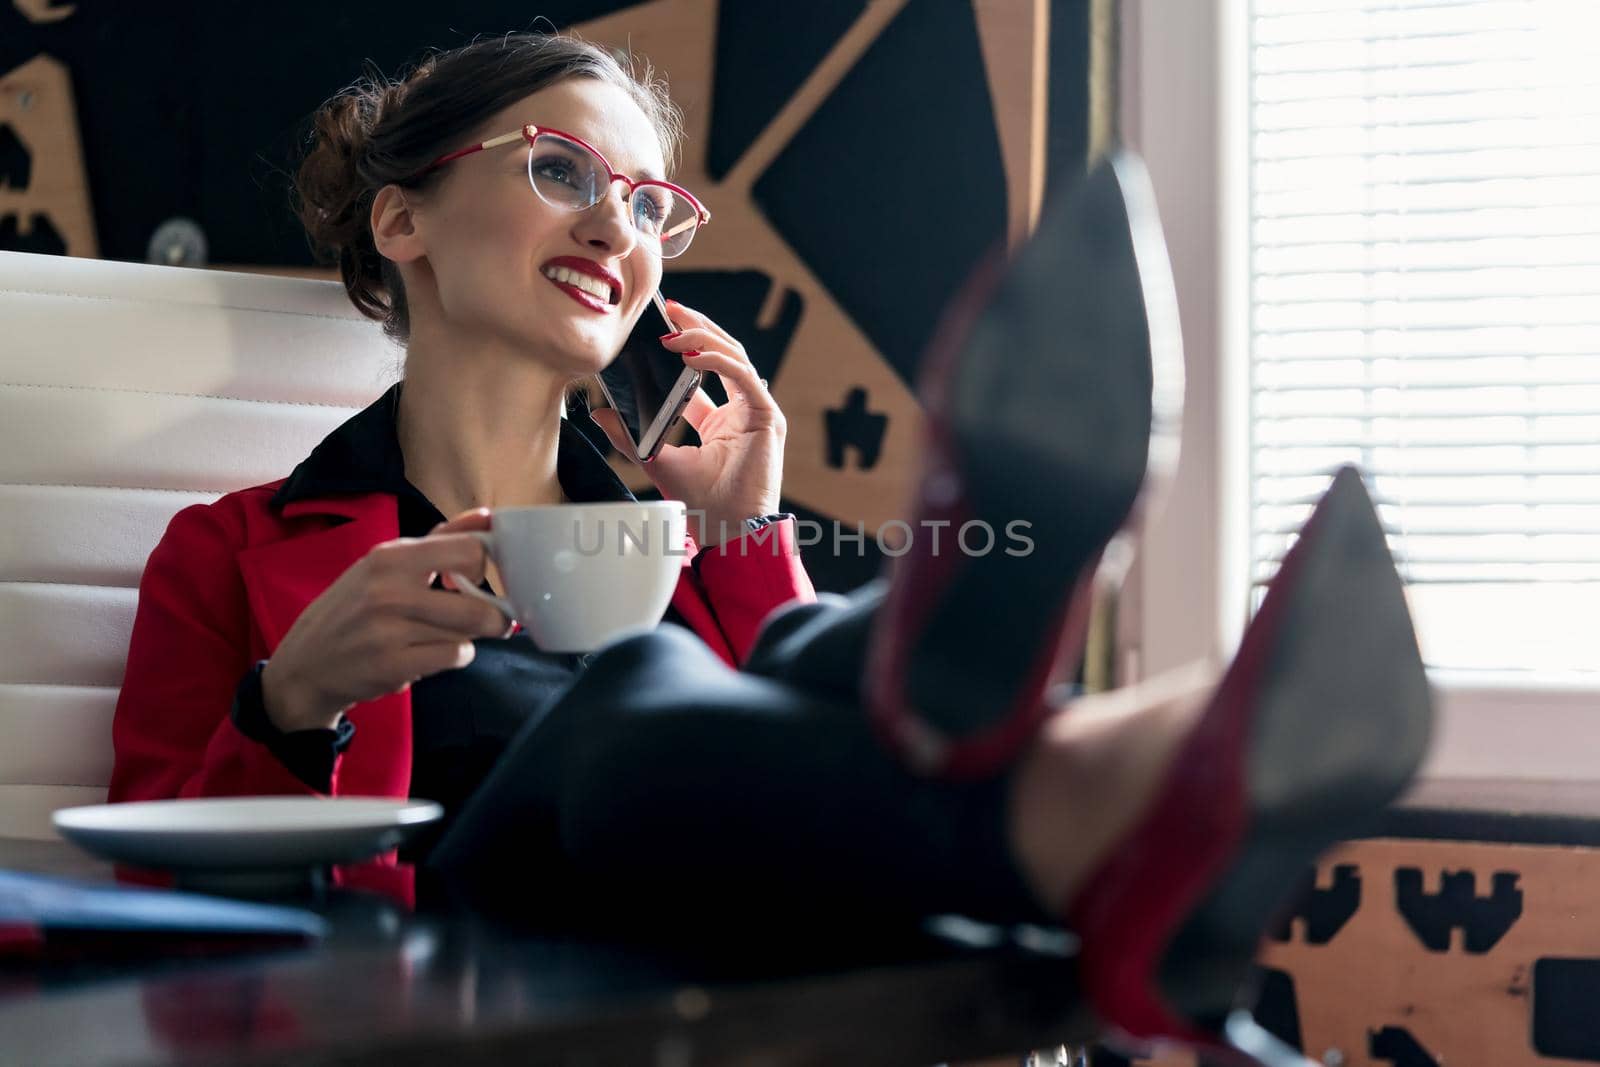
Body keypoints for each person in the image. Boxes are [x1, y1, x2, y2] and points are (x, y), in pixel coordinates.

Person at [107, 31, 1432, 1065]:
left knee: (773, 673)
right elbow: (149, 903)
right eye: (559, 171)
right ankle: (1105, 755)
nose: (612, 230)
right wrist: (293, 703)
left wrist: (745, 528)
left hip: (712, 981)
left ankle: (1073, 774)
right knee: (638, 696)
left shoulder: (673, 543)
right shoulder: (230, 555)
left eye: (645, 207)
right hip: (448, 993)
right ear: (404, 223)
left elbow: (839, 742)